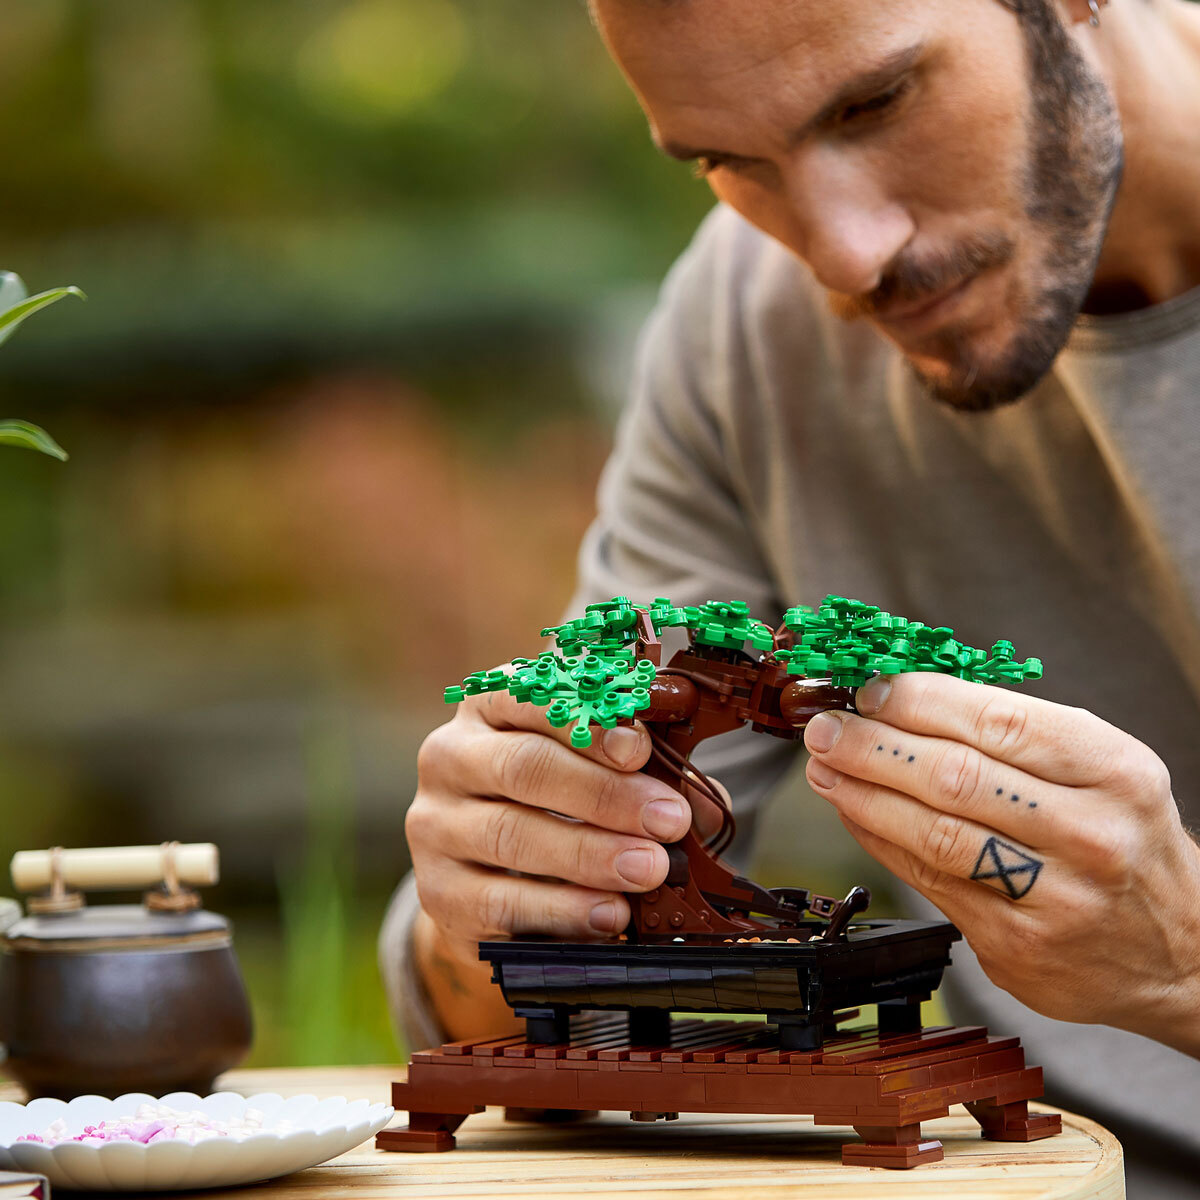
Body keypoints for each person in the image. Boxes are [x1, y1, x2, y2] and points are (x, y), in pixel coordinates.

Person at [381, 1, 1200, 1195]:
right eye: (728, 160)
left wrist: (1182, 964)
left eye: (875, 103)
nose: (843, 257)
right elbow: (475, 1009)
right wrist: (503, 895)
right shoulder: (741, 321)